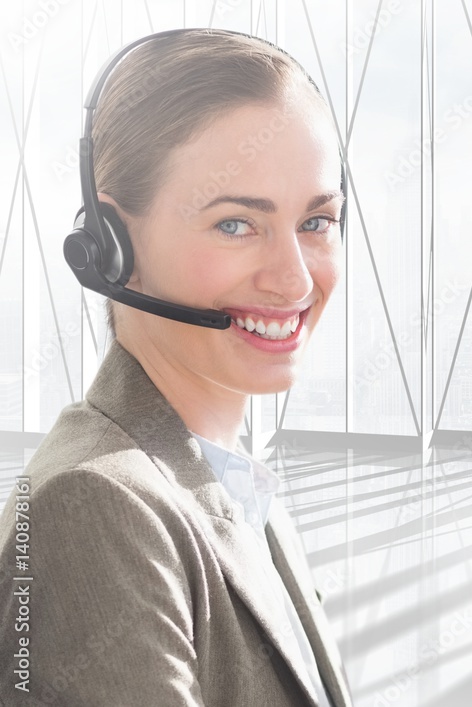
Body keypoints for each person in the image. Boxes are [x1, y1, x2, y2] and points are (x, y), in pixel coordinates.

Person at [0, 29, 352, 706]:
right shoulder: (94, 504)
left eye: (317, 221)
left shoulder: (232, 481)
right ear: (109, 248)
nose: (294, 280)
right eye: (236, 225)